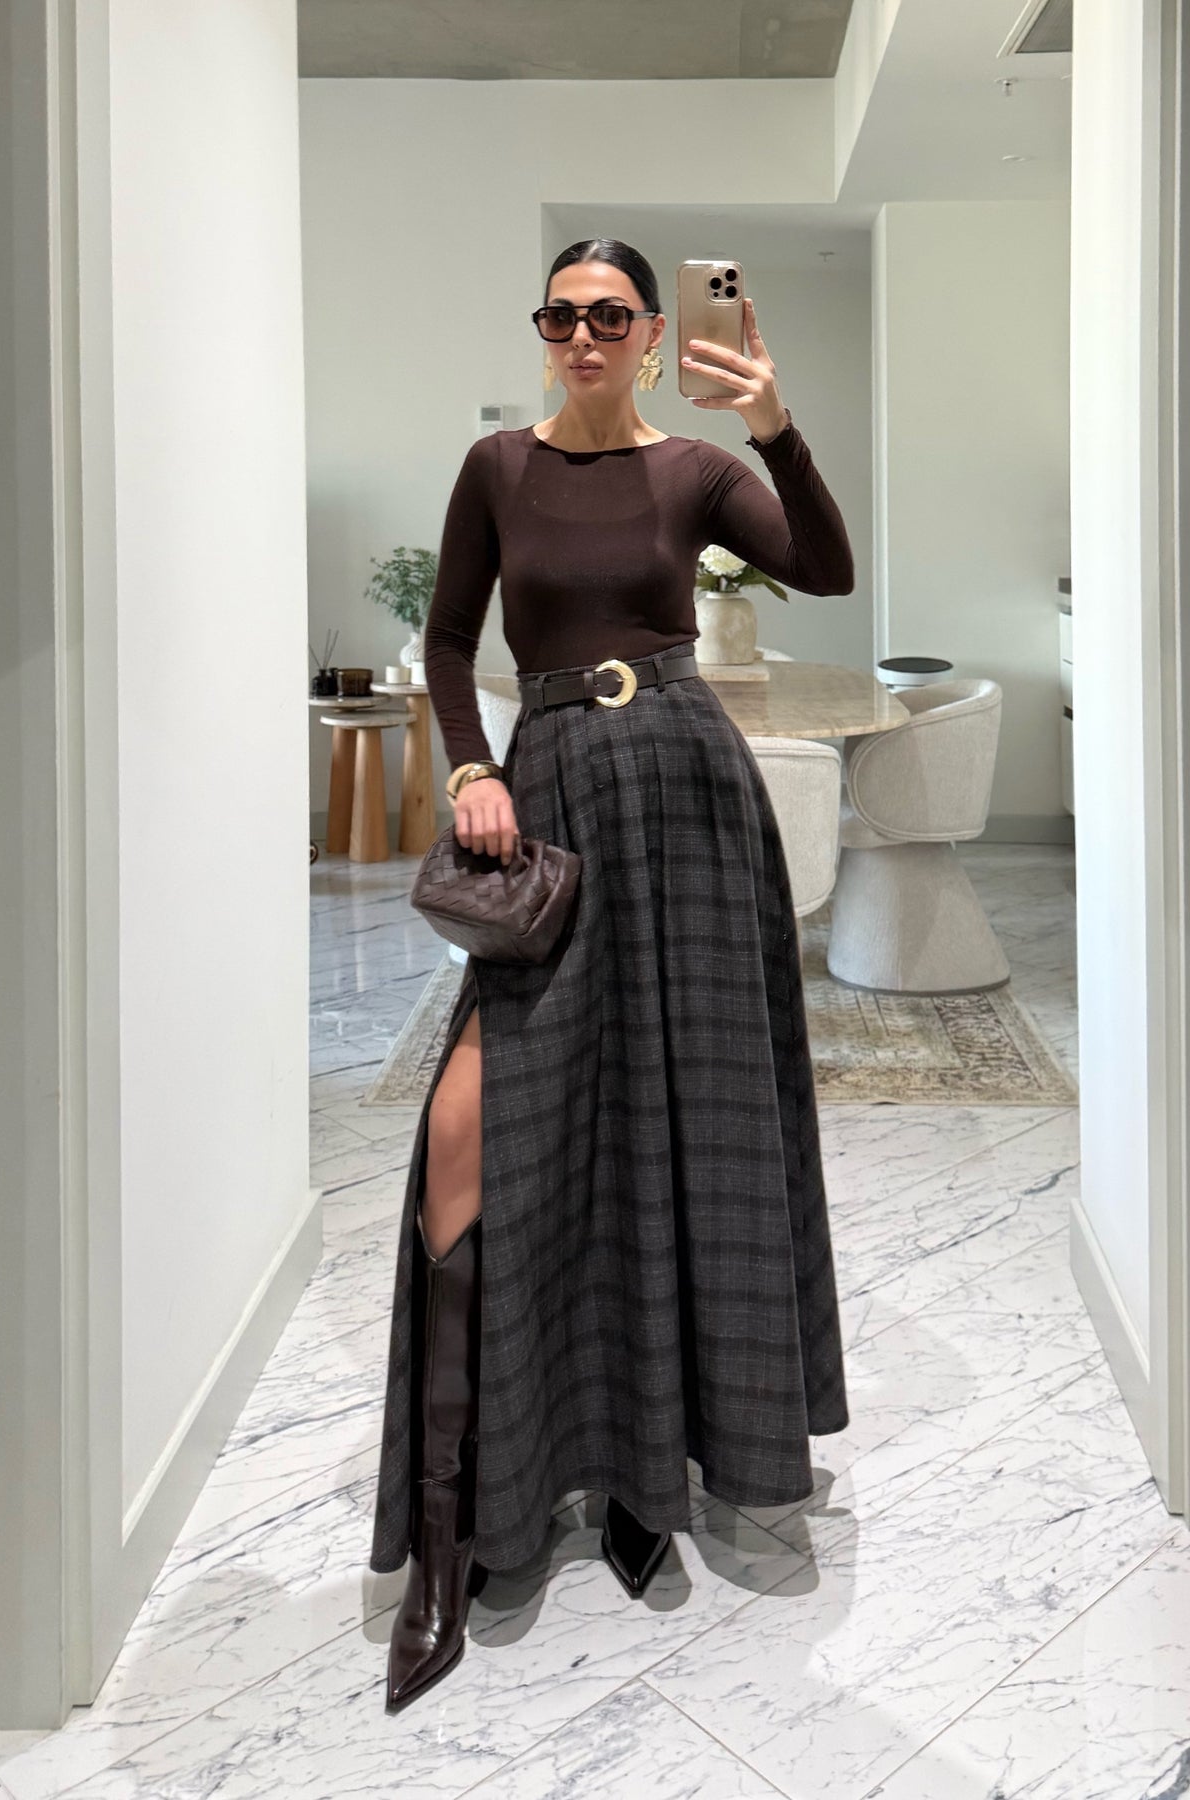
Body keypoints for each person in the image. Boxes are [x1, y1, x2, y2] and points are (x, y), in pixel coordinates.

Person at [370, 238, 853, 1712]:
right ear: (546, 333)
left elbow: (826, 569)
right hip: (556, 804)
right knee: (475, 1131)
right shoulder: (497, 469)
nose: (581, 334)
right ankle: (451, 1531)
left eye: (608, 316)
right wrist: (471, 768)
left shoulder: (698, 471)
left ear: (650, 334)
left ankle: (655, 1474)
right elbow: (449, 641)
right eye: (560, 314)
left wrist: (774, 420)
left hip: (692, 803)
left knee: (692, 1128)